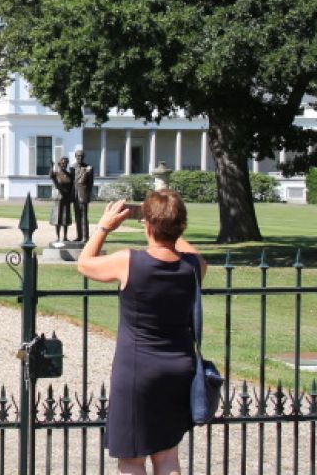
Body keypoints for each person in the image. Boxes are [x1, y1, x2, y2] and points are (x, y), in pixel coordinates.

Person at [77, 190, 202, 475]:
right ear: (181, 225)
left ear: (147, 226)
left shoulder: (130, 262)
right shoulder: (193, 267)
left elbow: (84, 262)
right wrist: (169, 228)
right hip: (180, 367)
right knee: (167, 456)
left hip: (138, 370)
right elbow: (190, 251)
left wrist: (105, 226)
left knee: (132, 460)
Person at [50, 156, 77, 242]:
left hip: (66, 199)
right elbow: (51, 175)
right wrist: (51, 166)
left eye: (65, 163)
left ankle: (65, 237)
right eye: (62, 163)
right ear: (59, 164)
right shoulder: (56, 173)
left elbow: (73, 185)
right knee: (57, 218)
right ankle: (57, 237)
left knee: (65, 218)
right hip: (58, 198)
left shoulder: (69, 175)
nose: (64, 164)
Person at [72, 149, 96, 243]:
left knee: (84, 217)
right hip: (75, 196)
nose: (80, 157)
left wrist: (88, 195)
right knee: (77, 217)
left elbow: (91, 183)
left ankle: (85, 237)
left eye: (81, 156)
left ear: (83, 157)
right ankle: (79, 236)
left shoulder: (88, 168)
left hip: (83, 195)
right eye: (78, 156)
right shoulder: (72, 168)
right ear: (75, 157)